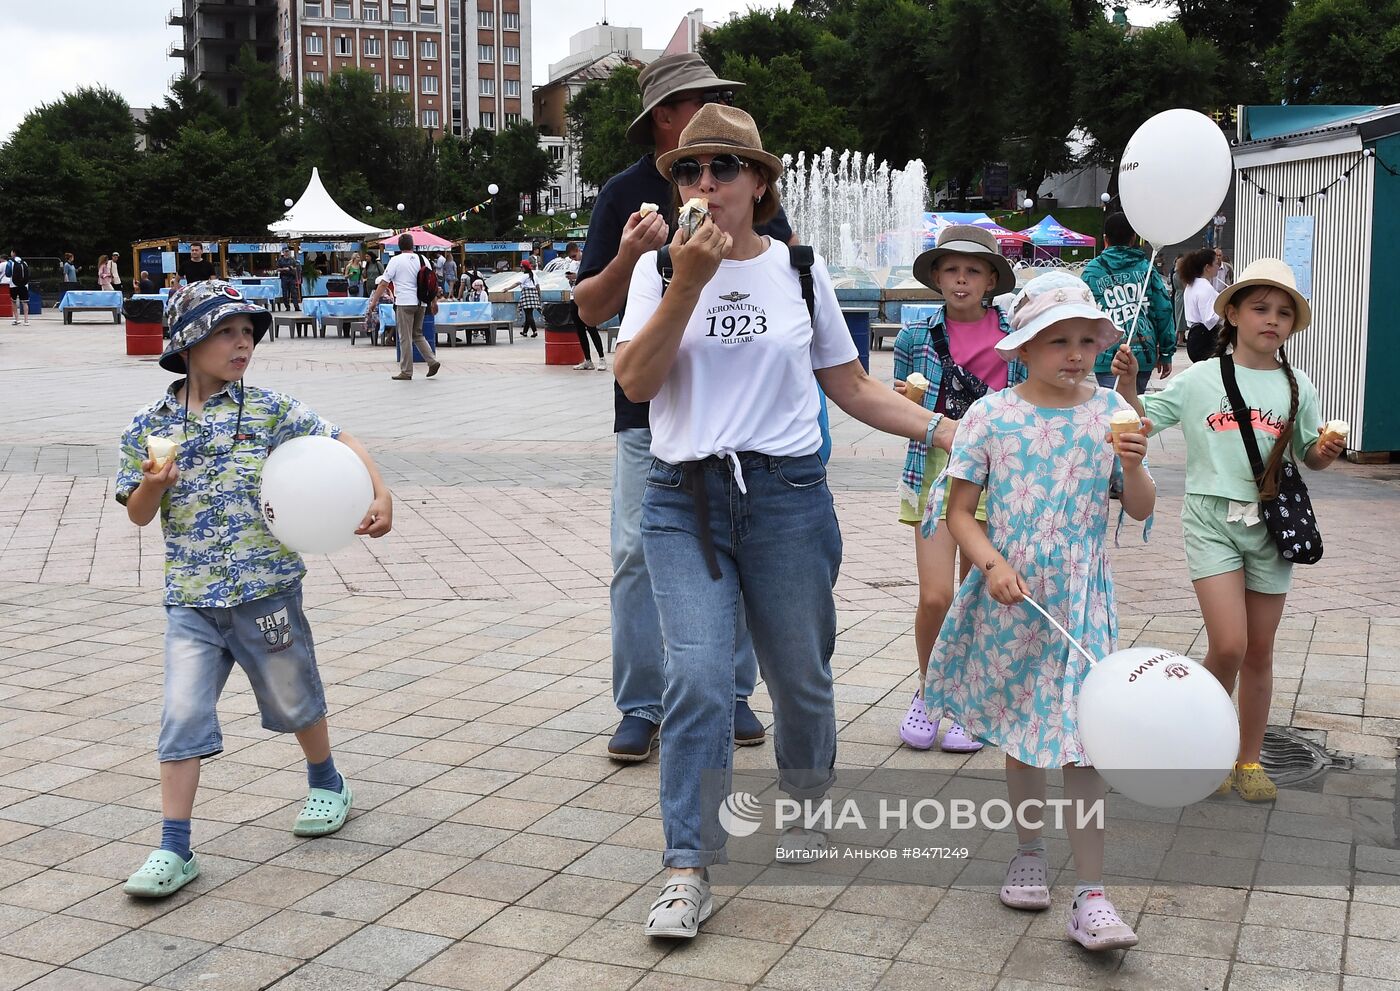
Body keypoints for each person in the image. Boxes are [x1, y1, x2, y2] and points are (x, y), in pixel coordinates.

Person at [613, 104, 958, 939]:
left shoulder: (800, 271)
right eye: (691, 171)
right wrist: (689, 282)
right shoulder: (658, 272)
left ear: (759, 183)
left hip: (786, 495)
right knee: (695, 678)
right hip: (682, 497)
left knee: (800, 676)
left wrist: (957, 432)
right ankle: (688, 866)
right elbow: (635, 381)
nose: (704, 184)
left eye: (724, 168)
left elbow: (852, 386)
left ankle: (806, 802)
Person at [114, 280, 393, 899]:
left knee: (295, 696)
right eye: (226, 332)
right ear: (188, 341)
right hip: (191, 601)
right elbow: (135, 513)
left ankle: (326, 781)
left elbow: (341, 439)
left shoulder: (269, 408)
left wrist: (381, 492)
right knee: (181, 717)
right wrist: (156, 485)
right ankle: (173, 847)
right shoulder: (148, 425)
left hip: (267, 592)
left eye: (248, 333)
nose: (242, 344)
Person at [924, 270, 1155, 952]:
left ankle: (1092, 893)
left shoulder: (1109, 410)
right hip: (1015, 601)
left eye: (1086, 339)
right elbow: (958, 511)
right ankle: (1029, 847)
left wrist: (1136, 463)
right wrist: (991, 562)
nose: (1076, 353)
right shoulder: (991, 416)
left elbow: (1139, 508)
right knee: (1024, 733)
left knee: (1086, 744)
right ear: (1023, 346)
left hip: (1083, 605)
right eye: (1058, 340)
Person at [575, 51, 794, 761]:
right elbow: (587, 308)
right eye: (699, 98)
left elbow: (779, 280)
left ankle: (730, 690)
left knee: (733, 550)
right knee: (637, 554)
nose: (710, 177)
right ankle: (641, 702)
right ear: (664, 116)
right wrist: (633, 257)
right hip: (650, 414)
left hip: (740, 423)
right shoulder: (626, 193)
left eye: (728, 166)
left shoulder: (749, 191)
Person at [1112, 258, 1344, 802]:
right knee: (1230, 644)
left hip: (1271, 525)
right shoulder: (1203, 378)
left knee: (1259, 650)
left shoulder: (1297, 384)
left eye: (1284, 313)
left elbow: (1310, 457)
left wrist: (1327, 451)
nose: (1272, 320)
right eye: (1260, 308)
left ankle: (1247, 759)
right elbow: (1145, 418)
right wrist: (1127, 385)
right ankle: (1200, 743)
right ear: (1233, 313)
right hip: (1211, 519)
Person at [892, 225, 1020, 753]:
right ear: (937, 277)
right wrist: (907, 399)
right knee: (936, 595)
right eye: (951, 269)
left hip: (996, 475)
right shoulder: (914, 336)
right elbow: (899, 408)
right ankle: (928, 690)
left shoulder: (1018, 334)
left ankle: (970, 700)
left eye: (972, 270)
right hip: (931, 473)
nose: (961, 279)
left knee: (979, 595)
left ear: (991, 278)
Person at [1083, 212, 1175, 394]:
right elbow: (1163, 309)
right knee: (1135, 409)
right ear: (1133, 238)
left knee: (1113, 410)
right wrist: (1166, 352)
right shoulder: (1146, 269)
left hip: (1106, 355)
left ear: (1105, 239)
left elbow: (1084, 313)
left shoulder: (1092, 271)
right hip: (1142, 352)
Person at [368, 234, 441, 381]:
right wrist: (434, 302)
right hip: (421, 303)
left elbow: (383, 283)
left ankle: (406, 371)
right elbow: (431, 282)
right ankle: (432, 361)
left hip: (404, 302)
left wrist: (374, 302)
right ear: (412, 245)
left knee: (405, 337)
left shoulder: (395, 260)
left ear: (399, 246)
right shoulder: (423, 259)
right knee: (417, 334)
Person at [564, 242, 605, 370]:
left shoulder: (588, 260)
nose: (573, 259)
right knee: (580, 330)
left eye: (574, 255)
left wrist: (578, 277)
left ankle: (602, 358)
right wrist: (570, 278)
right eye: (571, 257)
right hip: (574, 296)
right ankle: (588, 360)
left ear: (578, 250)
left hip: (586, 297)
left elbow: (593, 276)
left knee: (591, 327)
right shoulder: (571, 263)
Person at [1180, 248, 1221, 362]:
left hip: (1194, 336)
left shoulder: (1191, 284)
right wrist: (1225, 309)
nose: (1218, 266)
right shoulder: (1205, 287)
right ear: (1207, 267)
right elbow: (1209, 320)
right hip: (1205, 338)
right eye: (1216, 264)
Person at [517, 259, 540, 338]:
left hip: (526, 295)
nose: (521, 269)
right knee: (528, 314)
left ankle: (535, 331)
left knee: (528, 314)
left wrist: (507, 288)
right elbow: (538, 286)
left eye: (521, 267)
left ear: (525, 267)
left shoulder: (525, 276)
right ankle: (525, 332)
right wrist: (539, 296)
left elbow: (517, 283)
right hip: (534, 295)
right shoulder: (534, 275)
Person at [6, 251, 30, 326]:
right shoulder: (24, 263)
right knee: (25, 302)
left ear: (13, 253)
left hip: (13, 284)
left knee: (13, 301)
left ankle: (17, 319)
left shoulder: (10, 262)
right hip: (24, 285)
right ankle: (26, 320)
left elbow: (8, 273)